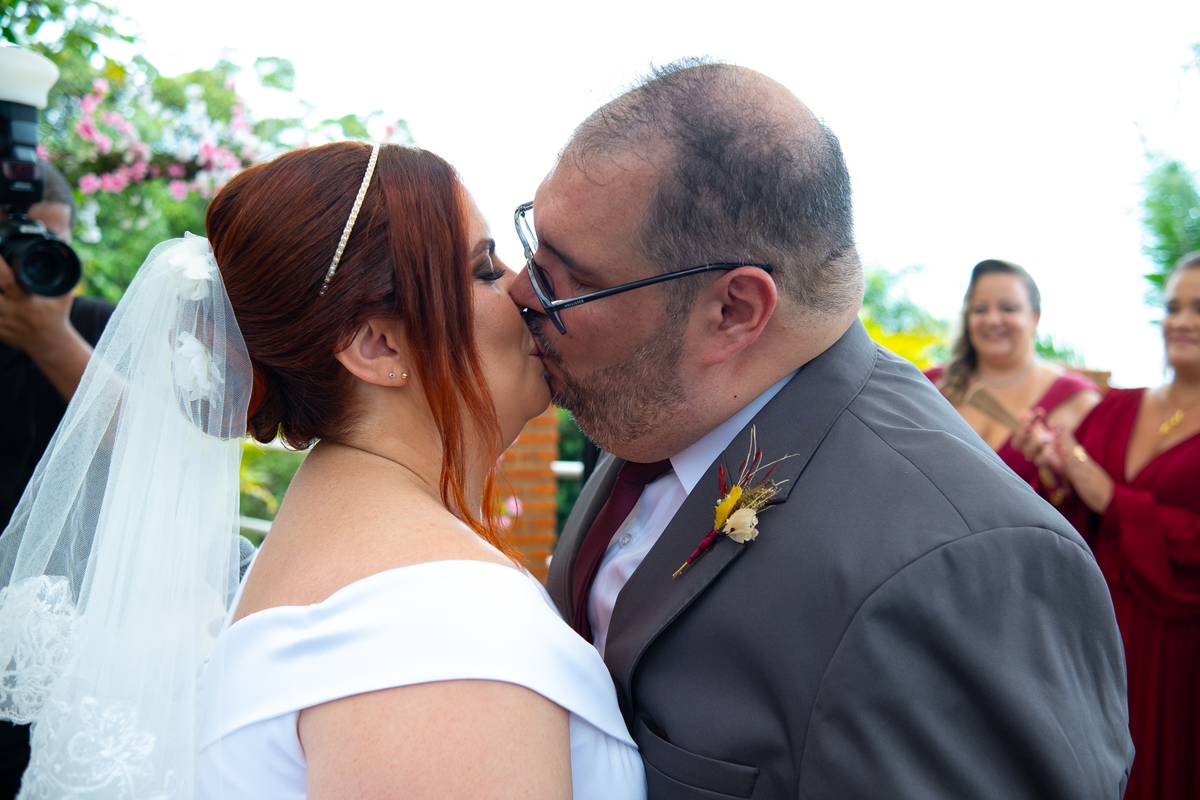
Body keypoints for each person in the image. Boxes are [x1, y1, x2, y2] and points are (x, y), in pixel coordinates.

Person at [509, 59, 1134, 798]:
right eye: (531, 249)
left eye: (569, 279)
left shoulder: (960, 566)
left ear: (734, 311)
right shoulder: (657, 406)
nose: (520, 291)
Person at [0, 142, 645, 799]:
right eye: (484, 270)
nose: (523, 287)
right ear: (378, 345)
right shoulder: (439, 623)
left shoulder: (323, 550)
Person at [1020, 252, 1200, 800]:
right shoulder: (1114, 409)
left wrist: (1115, 500)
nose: (1181, 321)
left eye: (1199, 308)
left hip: (1179, 644)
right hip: (1095, 628)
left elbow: (1107, 497)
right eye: (1173, 307)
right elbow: (1074, 511)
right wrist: (1054, 471)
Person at [0, 162, 115, 800]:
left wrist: (54, 343)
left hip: (55, 635)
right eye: (12, 244)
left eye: (47, 243)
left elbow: (159, 447)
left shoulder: (100, 327)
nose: (26, 263)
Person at [924, 258, 1099, 487]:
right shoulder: (928, 385)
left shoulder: (1077, 398)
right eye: (980, 309)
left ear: (1035, 317)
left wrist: (1058, 469)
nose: (992, 320)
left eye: (1008, 308)